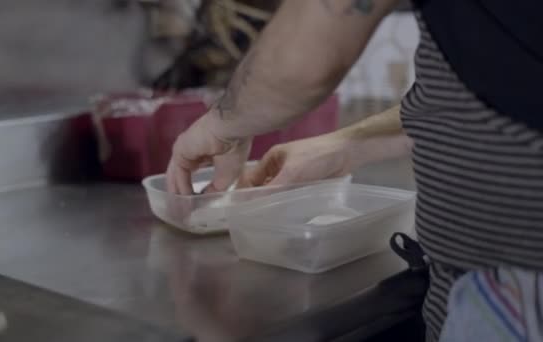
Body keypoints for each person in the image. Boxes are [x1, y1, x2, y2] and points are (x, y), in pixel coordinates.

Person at [166, 0, 543, 341]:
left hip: (518, 289)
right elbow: (496, 82)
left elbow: (303, 62)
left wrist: (221, 125)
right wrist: (347, 145)